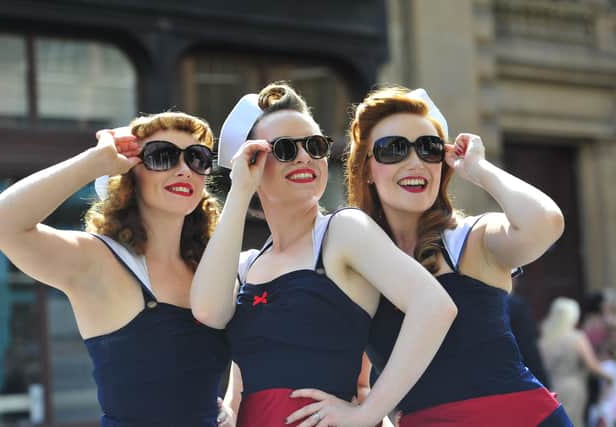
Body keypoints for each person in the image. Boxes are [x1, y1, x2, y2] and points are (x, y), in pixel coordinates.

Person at [190, 82, 457, 427]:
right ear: (252, 162)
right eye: (285, 149)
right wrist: (240, 191)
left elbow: (435, 306)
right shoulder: (247, 265)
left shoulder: (343, 231)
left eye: (315, 146)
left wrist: (368, 413)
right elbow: (210, 313)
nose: (305, 157)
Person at [332, 86, 571, 426]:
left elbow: (546, 223)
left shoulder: (469, 239)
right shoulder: (356, 262)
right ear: (366, 169)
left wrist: (478, 169)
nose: (415, 161)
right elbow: (360, 386)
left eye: (428, 149)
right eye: (393, 149)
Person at [0, 112, 234, 426]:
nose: (184, 170)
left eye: (197, 158)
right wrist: (93, 162)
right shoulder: (98, 260)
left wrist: (231, 404)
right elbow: (0, 222)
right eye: (162, 157)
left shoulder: (210, 266)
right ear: (128, 172)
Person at [540, 297, 613, 427]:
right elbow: (592, 365)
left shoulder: (544, 339)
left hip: (550, 388)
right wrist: (609, 377)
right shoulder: (576, 338)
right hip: (573, 389)